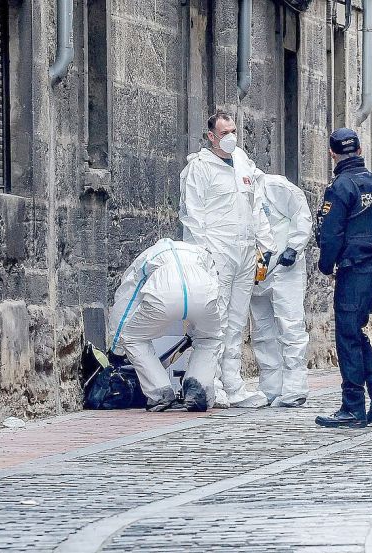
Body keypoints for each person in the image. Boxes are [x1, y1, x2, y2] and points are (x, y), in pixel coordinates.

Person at [179, 111, 277, 408]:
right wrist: (203, 254)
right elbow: (193, 214)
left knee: (236, 320)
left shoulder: (243, 163)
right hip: (218, 251)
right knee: (216, 320)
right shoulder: (200, 167)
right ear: (211, 136)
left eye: (233, 130)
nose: (231, 136)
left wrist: (266, 243)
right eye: (225, 132)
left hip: (245, 250)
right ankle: (212, 383)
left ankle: (233, 383)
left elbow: (255, 205)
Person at [314, 128, 372, 428]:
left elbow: (331, 234)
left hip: (356, 269)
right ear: (360, 150)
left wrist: (325, 266)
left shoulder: (340, 188)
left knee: (347, 336)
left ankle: (353, 406)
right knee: (356, 331)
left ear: (332, 154)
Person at [108, 239, 222, 412]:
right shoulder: (200, 253)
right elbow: (215, 288)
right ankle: (197, 387)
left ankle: (159, 391)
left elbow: (127, 301)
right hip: (203, 294)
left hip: (163, 295)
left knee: (132, 338)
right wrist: (200, 327)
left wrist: (116, 348)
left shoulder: (147, 257)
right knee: (209, 339)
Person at [249, 174, 313, 407]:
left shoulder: (273, 186)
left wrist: (294, 247)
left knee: (290, 325)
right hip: (257, 271)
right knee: (262, 330)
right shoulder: (232, 196)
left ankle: (295, 387)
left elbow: (301, 214)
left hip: (286, 267)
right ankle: (271, 388)